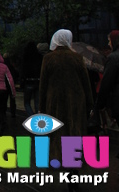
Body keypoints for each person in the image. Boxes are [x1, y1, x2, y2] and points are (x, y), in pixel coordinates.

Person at [39, 29, 93, 192]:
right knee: (73, 134)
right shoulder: (77, 57)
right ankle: (73, 173)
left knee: (58, 136)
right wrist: (89, 106)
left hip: (55, 103)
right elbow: (86, 83)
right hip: (76, 103)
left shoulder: (48, 58)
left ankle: (62, 164)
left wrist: (42, 108)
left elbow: (43, 85)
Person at [96, 29, 119, 126]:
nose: (109, 44)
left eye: (109, 41)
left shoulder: (113, 58)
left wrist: (99, 104)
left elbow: (106, 83)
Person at [21, 41, 44, 117]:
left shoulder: (25, 56)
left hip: (28, 81)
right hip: (38, 80)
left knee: (27, 103)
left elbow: (23, 69)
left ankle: (31, 117)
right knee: (37, 103)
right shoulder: (39, 56)